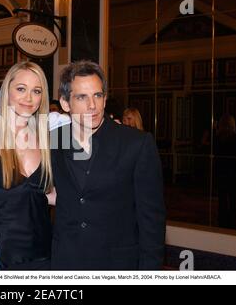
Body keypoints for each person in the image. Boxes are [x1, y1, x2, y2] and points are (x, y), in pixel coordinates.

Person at [50, 60, 166, 270]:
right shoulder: (55, 140)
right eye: (81, 97)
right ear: (65, 103)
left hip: (117, 263)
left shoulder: (136, 144)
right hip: (67, 261)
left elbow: (152, 220)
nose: (92, 105)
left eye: (97, 95)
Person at [0, 62, 54, 270]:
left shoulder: (47, 139)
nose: (29, 98)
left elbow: (45, 195)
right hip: (0, 260)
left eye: (37, 91)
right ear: (7, 91)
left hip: (45, 256)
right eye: (21, 89)